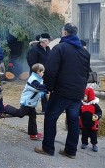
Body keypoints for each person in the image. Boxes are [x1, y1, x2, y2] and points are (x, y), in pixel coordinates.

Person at [34, 23, 90, 159]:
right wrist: (81, 89)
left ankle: (48, 148)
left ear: (65, 33)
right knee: (73, 120)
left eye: (61, 32)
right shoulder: (84, 52)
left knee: (50, 118)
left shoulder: (60, 48)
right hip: (77, 92)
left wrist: (50, 87)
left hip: (61, 91)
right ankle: (71, 151)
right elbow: (86, 74)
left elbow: (50, 71)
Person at [4, 63, 48, 140]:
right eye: (42, 72)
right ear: (38, 71)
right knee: (20, 114)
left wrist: (44, 94)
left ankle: (33, 134)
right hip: (27, 102)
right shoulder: (33, 79)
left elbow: (38, 92)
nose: (43, 73)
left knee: (33, 117)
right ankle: (5, 107)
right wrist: (48, 87)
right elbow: (38, 88)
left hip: (32, 103)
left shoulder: (38, 79)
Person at [27, 33, 51, 112]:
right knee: (34, 90)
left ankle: (45, 108)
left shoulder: (48, 49)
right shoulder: (34, 50)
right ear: (44, 41)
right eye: (48, 40)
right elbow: (31, 62)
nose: (49, 41)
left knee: (44, 89)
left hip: (45, 73)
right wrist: (37, 72)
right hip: (37, 73)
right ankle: (30, 107)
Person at [79, 88, 102, 152]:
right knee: (84, 134)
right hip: (84, 123)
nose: (83, 97)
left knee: (93, 135)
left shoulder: (94, 105)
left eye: (85, 96)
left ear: (90, 96)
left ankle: (94, 144)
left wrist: (97, 116)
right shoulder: (82, 105)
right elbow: (79, 112)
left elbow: (99, 112)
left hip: (93, 123)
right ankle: (84, 143)